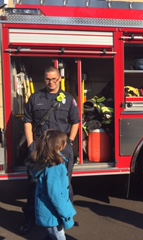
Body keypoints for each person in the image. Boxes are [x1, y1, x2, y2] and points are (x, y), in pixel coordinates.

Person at [20, 66, 80, 234]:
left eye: (54, 79)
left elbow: (76, 121)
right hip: (40, 150)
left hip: (62, 151)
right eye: (48, 79)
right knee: (34, 185)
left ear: (59, 79)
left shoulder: (68, 99)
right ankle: (30, 218)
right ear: (44, 79)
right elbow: (27, 122)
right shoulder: (35, 98)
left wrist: (71, 141)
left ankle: (65, 217)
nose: (51, 82)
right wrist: (31, 145)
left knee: (64, 184)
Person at [27, 129, 77, 239]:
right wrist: (65, 215)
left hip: (47, 212)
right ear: (59, 146)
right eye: (64, 142)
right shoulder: (55, 167)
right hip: (54, 213)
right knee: (59, 236)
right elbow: (56, 195)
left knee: (51, 235)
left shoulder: (45, 163)